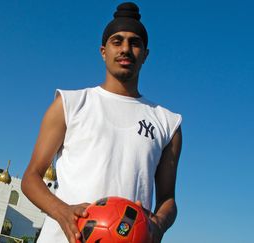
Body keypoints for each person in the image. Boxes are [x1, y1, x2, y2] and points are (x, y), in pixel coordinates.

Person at [21, 2, 182, 243]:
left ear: (145, 54)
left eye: (134, 43)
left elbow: (168, 199)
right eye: (117, 41)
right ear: (103, 51)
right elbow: (31, 178)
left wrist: (157, 225)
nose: (125, 49)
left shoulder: (167, 123)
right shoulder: (70, 103)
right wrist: (63, 212)